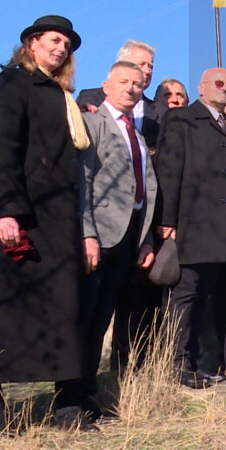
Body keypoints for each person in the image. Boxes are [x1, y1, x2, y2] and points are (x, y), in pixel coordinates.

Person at [0, 15, 94, 431]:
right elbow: (2, 150)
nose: (61, 48)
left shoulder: (60, 95)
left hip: (57, 219)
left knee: (59, 308)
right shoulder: (13, 83)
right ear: (31, 43)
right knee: (1, 307)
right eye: (53, 40)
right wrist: (9, 209)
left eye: (67, 43)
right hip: (19, 215)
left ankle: (66, 404)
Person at [69, 61, 157, 424]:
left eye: (137, 84)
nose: (131, 88)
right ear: (105, 85)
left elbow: (145, 189)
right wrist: (87, 233)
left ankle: (87, 394)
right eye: (123, 82)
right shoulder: (91, 124)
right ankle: (71, 398)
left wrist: (146, 238)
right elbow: (83, 183)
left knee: (104, 317)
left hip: (128, 238)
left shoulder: (136, 134)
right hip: (99, 236)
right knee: (86, 318)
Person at [155, 67, 226, 388]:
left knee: (204, 297)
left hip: (223, 228)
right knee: (185, 295)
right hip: (192, 224)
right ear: (202, 88)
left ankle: (196, 363)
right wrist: (168, 220)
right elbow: (170, 171)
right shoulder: (183, 119)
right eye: (219, 84)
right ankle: (175, 365)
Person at [76, 40, 162, 148]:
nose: (147, 70)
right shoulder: (91, 99)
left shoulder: (159, 112)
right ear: (121, 65)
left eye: (150, 66)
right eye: (142, 64)